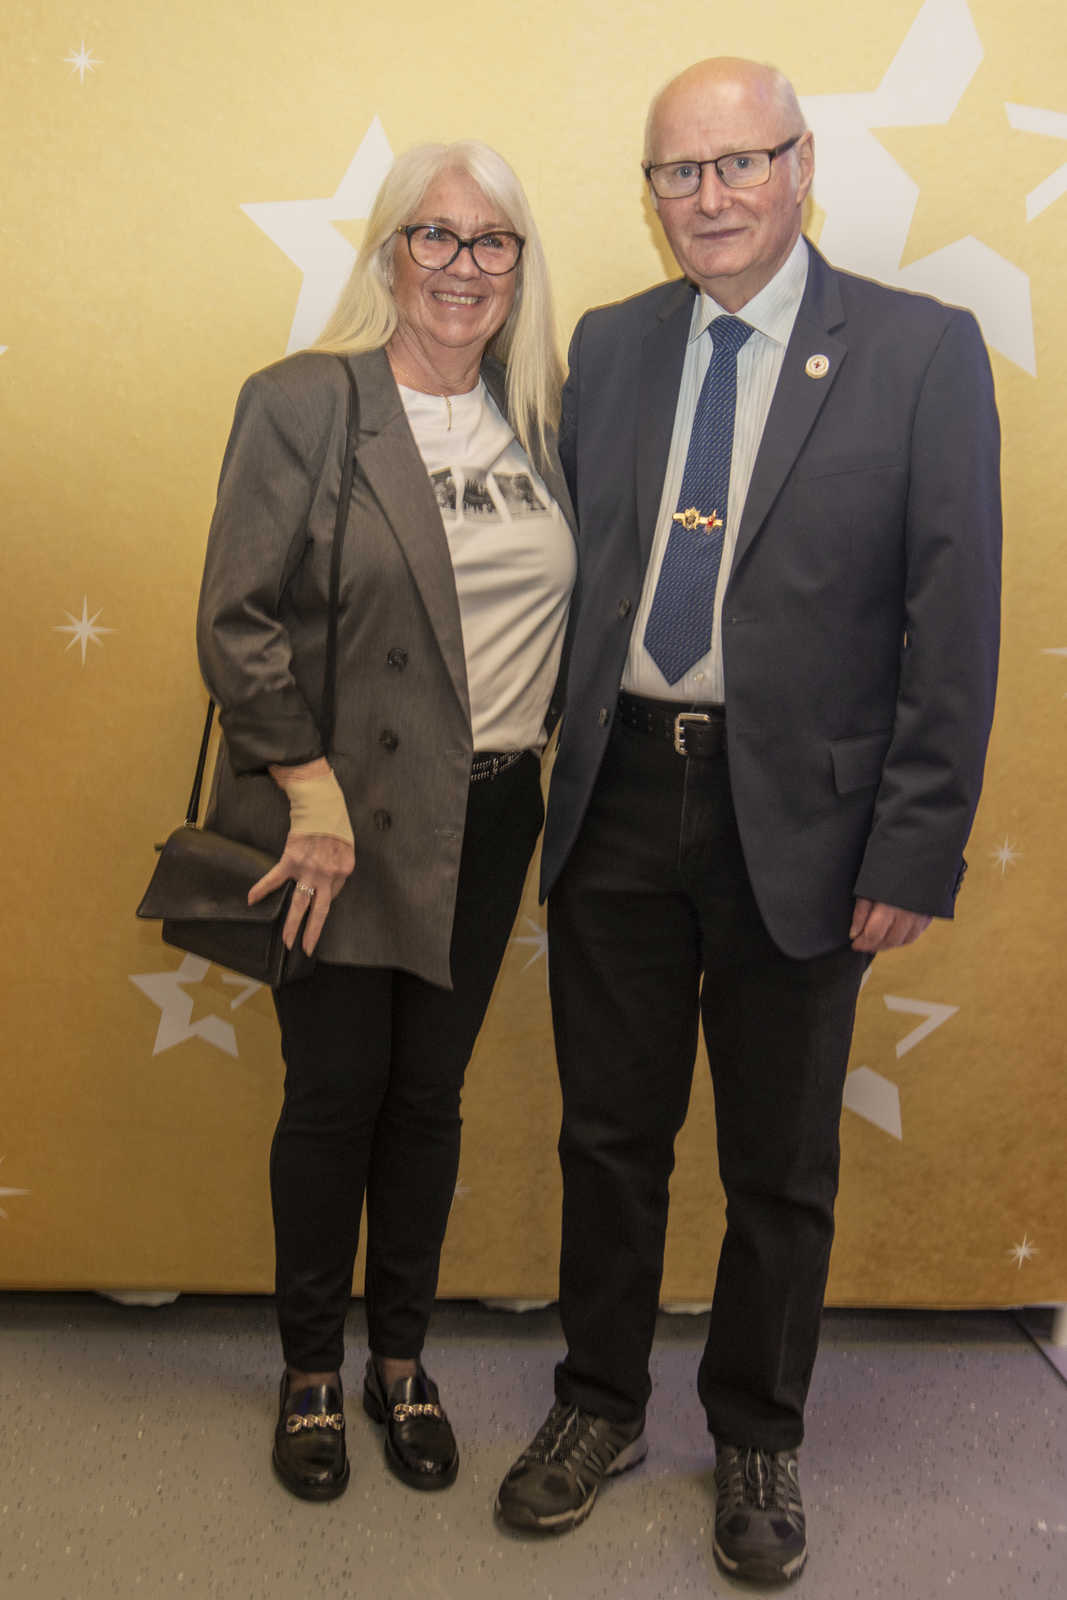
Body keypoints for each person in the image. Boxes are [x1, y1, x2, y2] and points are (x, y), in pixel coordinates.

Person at [495, 57, 1000, 1584]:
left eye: (739, 162)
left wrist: (914, 844)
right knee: (609, 1137)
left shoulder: (919, 350)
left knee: (780, 1163)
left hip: (809, 823)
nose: (708, 196)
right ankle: (598, 1404)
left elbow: (953, 619)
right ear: (650, 194)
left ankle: (759, 1431)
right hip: (620, 794)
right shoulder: (611, 343)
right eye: (678, 171)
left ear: (801, 165)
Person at [197, 140, 575, 1502]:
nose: (463, 266)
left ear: (519, 265)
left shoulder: (546, 422)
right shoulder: (307, 401)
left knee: (428, 1097)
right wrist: (306, 785)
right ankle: (311, 1368)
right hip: (341, 820)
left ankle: (398, 1360)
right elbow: (235, 615)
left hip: (495, 810)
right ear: (388, 251)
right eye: (436, 235)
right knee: (335, 1093)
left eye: (492, 241)